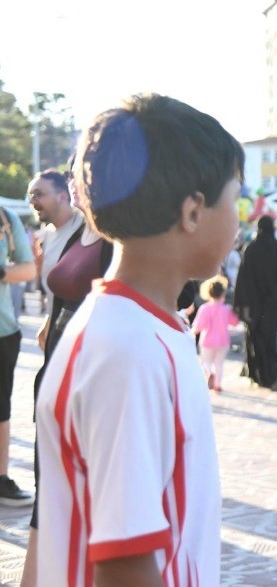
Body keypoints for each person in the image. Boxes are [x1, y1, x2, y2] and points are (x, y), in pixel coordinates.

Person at [35, 93, 244, 585]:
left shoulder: (146, 328)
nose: (239, 220)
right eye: (235, 198)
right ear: (193, 211)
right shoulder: (125, 349)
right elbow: (125, 560)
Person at [21, 163, 114, 587]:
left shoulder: (115, 240)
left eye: (79, 176)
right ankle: (36, 577)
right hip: (54, 371)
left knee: (82, 492)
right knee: (49, 485)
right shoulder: (79, 235)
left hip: (88, 380)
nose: (74, 183)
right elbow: (63, 294)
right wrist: (51, 323)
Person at [0, 204, 37, 506]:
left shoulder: (6, 218)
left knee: (1, 410)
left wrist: (1, 272)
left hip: (3, 330)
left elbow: (28, 268)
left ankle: (1, 479)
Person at [234, 215, 277, 391]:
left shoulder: (250, 249)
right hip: (273, 302)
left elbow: (242, 278)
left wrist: (240, 305)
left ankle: (257, 374)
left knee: (255, 336)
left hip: (253, 302)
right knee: (270, 337)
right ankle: (272, 374)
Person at [27, 169, 86, 337]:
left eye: (38, 194)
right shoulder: (47, 234)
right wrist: (48, 321)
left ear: (62, 195)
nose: (32, 201)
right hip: (58, 330)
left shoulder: (84, 227)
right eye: (30, 195)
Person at [192, 275, 240, 392]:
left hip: (207, 340)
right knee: (219, 363)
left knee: (205, 361)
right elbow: (234, 323)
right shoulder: (226, 309)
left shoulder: (204, 308)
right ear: (223, 294)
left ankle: (209, 373)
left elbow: (198, 326)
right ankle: (218, 384)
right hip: (223, 341)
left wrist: (192, 333)